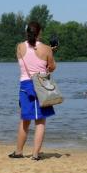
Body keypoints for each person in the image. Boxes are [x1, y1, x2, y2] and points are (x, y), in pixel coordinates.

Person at [9, 21, 56, 160]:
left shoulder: (19, 47)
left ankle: (19, 151)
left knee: (25, 120)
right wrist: (52, 52)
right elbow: (51, 67)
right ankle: (35, 154)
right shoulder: (46, 49)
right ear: (40, 32)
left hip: (25, 85)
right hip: (40, 84)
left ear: (27, 32)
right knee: (40, 121)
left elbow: (28, 61)